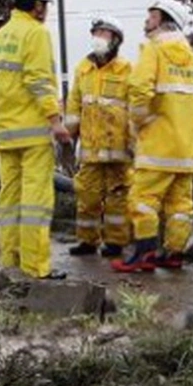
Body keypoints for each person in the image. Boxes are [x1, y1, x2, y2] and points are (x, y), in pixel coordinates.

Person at [112, 0, 193, 274]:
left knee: (143, 199)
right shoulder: (192, 58)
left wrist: (141, 122)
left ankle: (143, 254)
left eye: (151, 16)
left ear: (162, 19)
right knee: (180, 205)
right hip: (185, 152)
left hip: (157, 148)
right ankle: (174, 254)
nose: (147, 21)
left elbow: (139, 89)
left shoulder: (154, 50)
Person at [0, 0, 72, 280]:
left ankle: (11, 263)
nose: (45, 10)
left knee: (9, 200)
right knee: (36, 202)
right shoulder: (36, 33)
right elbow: (39, 81)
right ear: (37, 5)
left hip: (5, 133)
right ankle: (35, 268)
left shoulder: (0, 36)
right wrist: (55, 121)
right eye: (45, 4)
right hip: (33, 133)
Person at [66, 16, 133, 258]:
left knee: (118, 199)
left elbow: (135, 108)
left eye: (104, 33)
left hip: (118, 150)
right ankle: (87, 241)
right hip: (91, 150)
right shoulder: (83, 69)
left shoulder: (127, 70)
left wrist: (135, 143)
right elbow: (74, 106)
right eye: (96, 33)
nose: (98, 38)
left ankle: (116, 243)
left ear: (116, 40)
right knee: (87, 196)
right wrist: (68, 137)